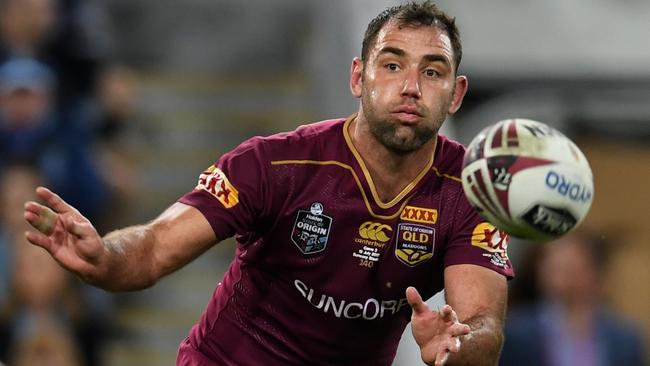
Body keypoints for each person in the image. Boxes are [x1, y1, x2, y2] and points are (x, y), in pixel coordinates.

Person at [23, 2, 514, 365]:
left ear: (456, 95)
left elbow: (483, 327)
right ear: (357, 77)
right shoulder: (275, 163)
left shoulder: (471, 192)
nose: (410, 86)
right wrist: (105, 257)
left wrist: (456, 346)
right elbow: (153, 248)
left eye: (433, 71)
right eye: (392, 65)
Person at [500, 232, 646, 366]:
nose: (563, 276)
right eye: (555, 266)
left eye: (572, 266)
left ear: (595, 271)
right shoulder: (516, 332)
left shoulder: (625, 339)